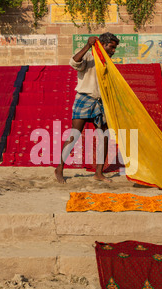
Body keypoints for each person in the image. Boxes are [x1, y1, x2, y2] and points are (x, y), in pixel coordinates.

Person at [54, 32, 119, 184]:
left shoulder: (108, 63)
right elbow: (74, 62)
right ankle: (59, 168)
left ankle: (99, 173)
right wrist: (88, 45)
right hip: (84, 98)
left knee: (104, 136)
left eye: (115, 48)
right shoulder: (89, 57)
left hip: (101, 102)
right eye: (111, 47)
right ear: (102, 45)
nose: (113, 51)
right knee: (75, 134)